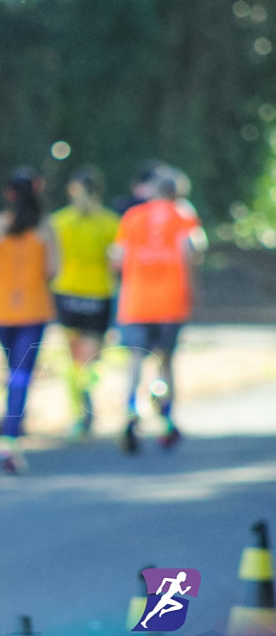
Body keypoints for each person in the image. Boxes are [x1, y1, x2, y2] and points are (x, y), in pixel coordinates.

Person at [0, 167, 58, 473]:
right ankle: (10, 437)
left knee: (13, 369)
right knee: (21, 372)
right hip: (33, 307)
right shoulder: (45, 228)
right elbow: (54, 269)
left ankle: (12, 424)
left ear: (8, 194)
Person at [110, 173, 206, 453]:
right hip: (170, 299)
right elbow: (193, 250)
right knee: (165, 359)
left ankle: (131, 411)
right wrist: (194, 291)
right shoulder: (183, 215)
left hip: (137, 299)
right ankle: (166, 418)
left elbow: (117, 256)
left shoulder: (133, 216)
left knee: (137, 357)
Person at [50, 166, 121, 440]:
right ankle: (80, 409)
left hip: (90, 293)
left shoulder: (107, 222)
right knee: (77, 357)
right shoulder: (63, 222)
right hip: (74, 292)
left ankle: (84, 401)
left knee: (87, 359)